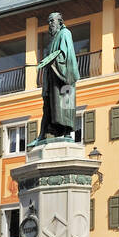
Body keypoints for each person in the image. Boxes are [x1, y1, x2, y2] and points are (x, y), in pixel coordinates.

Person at [34, 11, 80, 143]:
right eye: (48, 21)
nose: (49, 24)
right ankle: (44, 134)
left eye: (51, 21)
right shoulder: (53, 39)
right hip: (52, 77)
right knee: (48, 106)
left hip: (63, 77)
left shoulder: (65, 33)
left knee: (65, 104)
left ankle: (66, 132)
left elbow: (66, 55)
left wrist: (51, 61)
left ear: (60, 22)